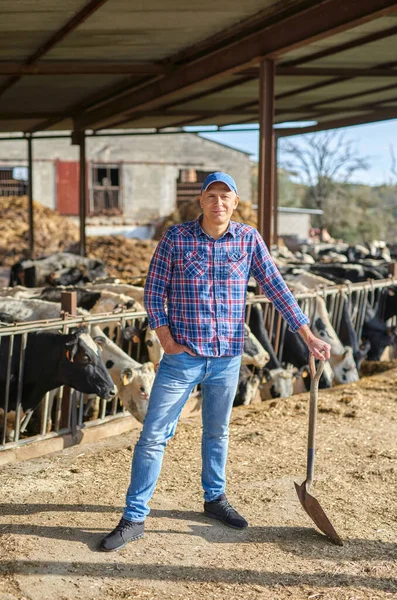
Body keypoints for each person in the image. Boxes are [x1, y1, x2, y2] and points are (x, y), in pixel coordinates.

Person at [100, 172, 331, 552]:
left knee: (217, 432)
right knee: (154, 436)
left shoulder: (248, 239)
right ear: (201, 201)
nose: (218, 203)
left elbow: (276, 287)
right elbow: (153, 290)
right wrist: (166, 338)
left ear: (235, 202)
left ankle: (214, 498)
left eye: (226, 196)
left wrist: (306, 334)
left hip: (227, 357)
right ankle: (134, 517)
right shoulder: (177, 238)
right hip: (182, 358)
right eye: (212, 196)